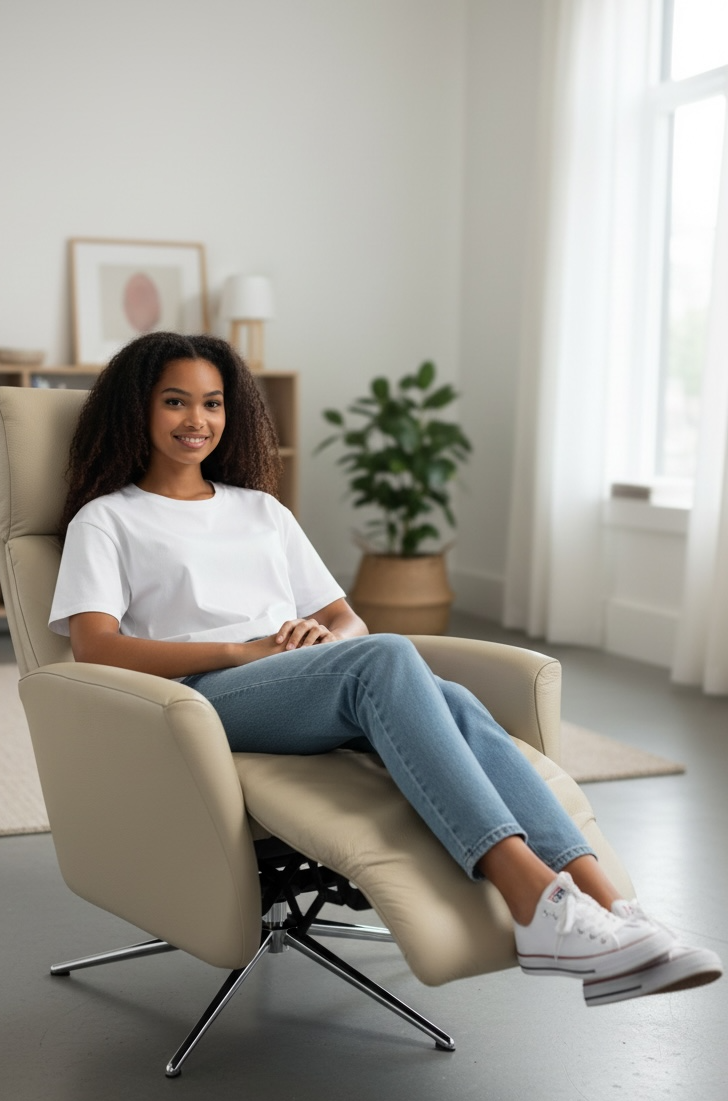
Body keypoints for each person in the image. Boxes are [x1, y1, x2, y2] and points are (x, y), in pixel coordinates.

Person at [49, 331, 722, 1007]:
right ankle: (535, 903)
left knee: (453, 700)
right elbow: (96, 646)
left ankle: (614, 911)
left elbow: (347, 620)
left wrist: (323, 633)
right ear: (138, 408)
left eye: (213, 403)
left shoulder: (260, 511)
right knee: (389, 659)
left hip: (295, 678)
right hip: (199, 698)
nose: (197, 419)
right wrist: (238, 652)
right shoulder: (108, 520)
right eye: (175, 401)